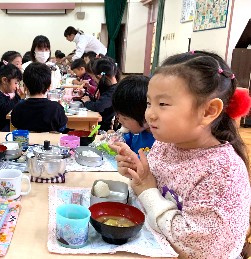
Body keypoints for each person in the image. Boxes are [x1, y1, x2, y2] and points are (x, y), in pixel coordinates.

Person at [110, 51, 251, 258]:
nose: (149, 114)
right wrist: (139, 174)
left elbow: (198, 250)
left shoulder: (223, 172)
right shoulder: (166, 145)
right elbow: (149, 190)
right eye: (149, 103)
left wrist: (147, 192)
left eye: (163, 104)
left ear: (208, 111)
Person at [11, 62, 67, 133]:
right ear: (49, 86)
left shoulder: (19, 106)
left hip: (25, 142)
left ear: (25, 86)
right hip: (50, 143)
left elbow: (14, 124)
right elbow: (62, 128)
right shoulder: (56, 107)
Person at [112, 75, 154, 154]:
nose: (120, 120)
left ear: (145, 116)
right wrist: (117, 140)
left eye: (125, 118)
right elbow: (128, 140)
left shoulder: (159, 142)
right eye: (118, 115)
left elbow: (149, 164)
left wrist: (130, 156)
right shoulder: (137, 132)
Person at [82, 56, 119, 131]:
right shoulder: (109, 87)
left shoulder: (113, 91)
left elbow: (99, 106)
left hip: (103, 128)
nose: (94, 80)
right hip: (100, 124)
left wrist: (87, 102)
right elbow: (100, 101)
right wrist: (87, 97)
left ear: (99, 76)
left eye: (93, 77)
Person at [0, 62, 23, 131]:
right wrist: (15, 95)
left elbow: (18, 104)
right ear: (4, 80)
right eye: (15, 83)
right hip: (1, 130)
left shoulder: (6, 94)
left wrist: (16, 95)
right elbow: (7, 110)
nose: (17, 86)